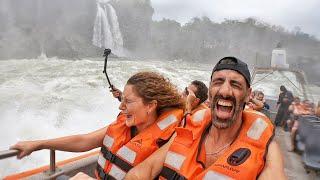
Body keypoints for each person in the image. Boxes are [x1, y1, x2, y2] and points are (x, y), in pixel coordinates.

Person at [125, 57, 286, 180]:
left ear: (248, 95)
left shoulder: (266, 147)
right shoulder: (189, 128)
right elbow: (146, 170)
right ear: (210, 91)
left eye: (235, 85)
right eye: (218, 82)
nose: (225, 91)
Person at [10, 71, 185, 180]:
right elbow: (83, 140)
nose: (120, 106)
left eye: (128, 101)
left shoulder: (167, 142)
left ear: (150, 105)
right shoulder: (124, 125)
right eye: (121, 99)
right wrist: (38, 144)